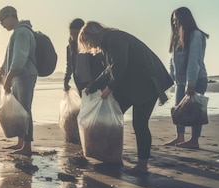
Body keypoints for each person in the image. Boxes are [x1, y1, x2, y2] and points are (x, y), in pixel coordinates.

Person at [78, 21, 173, 175]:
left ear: (93, 34)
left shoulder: (115, 38)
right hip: (134, 83)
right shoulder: (107, 43)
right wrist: (93, 85)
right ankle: (110, 154)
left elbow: (120, 65)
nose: (89, 45)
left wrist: (110, 88)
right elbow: (111, 69)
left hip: (148, 83)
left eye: (87, 41)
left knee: (140, 123)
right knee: (111, 117)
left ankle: (143, 163)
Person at [0, 6, 37, 155]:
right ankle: (20, 143)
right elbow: (9, 58)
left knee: (24, 111)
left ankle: (27, 147)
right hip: (19, 76)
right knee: (19, 112)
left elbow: (19, 59)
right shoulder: (17, 33)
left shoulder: (22, 32)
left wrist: (9, 78)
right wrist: (1, 73)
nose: (2, 24)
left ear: (10, 16)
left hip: (24, 76)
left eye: (2, 21)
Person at [163, 7, 210, 149]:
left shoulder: (195, 35)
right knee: (179, 109)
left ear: (185, 19)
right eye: (173, 21)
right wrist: (169, 81)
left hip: (196, 79)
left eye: (177, 20)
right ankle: (180, 136)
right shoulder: (179, 37)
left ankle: (194, 140)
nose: (175, 23)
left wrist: (191, 83)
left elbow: (194, 61)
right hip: (181, 81)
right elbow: (173, 63)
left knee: (195, 109)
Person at [63, 18, 105, 95]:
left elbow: (97, 67)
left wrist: (92, 84)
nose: (74, 37)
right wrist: (66, 80)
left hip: (94, 81)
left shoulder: (92, 46)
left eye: (76, 34)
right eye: (71, 34)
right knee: (85, 105)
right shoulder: (70, 48)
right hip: (80, 82)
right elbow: (69, 66)